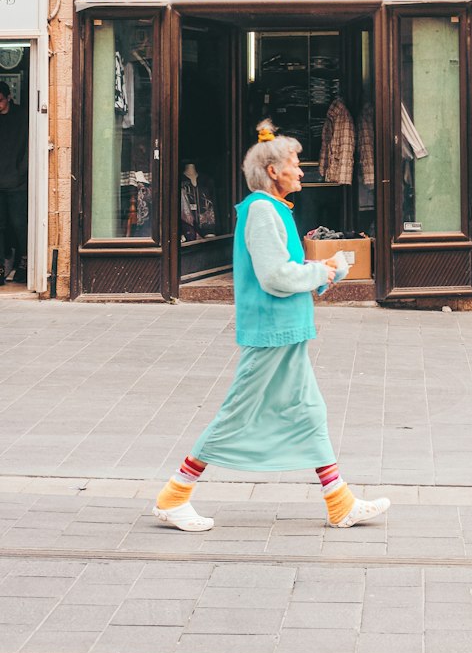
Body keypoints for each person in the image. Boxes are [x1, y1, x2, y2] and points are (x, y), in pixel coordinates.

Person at [152, 120, 390, 534]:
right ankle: (174, 496)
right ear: (273, 171)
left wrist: (321, 273)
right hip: (272, 331)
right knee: (237, 412)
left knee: (309, 411)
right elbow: (275, 277)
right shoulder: (262, 211)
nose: (301, 170)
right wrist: (320, 270)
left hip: (285, 329)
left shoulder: (271, 209)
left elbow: (284, 272)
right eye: (294, 163)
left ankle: (340, 503)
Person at [0, 80, 29, 284]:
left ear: (9, 97)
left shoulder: (22, 116)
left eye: (0, 100)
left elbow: (30, 145)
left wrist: (22, 171)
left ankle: (25, 264)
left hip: (18, 182)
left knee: (20, 225)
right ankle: (1, 267)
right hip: (3, 181)